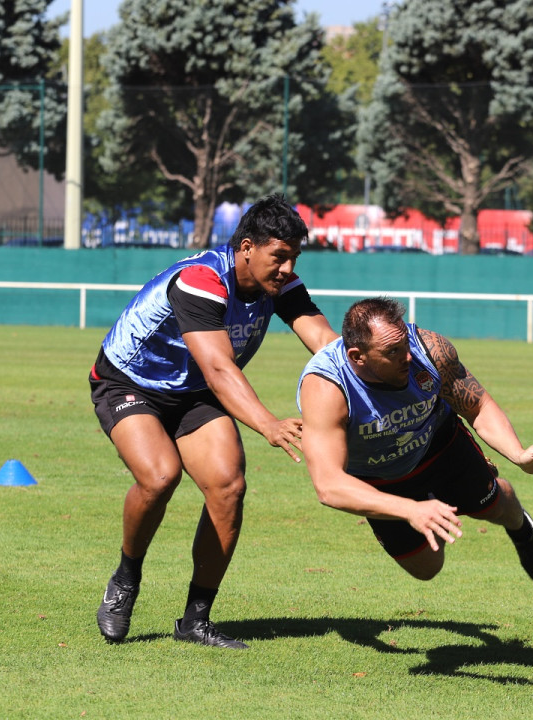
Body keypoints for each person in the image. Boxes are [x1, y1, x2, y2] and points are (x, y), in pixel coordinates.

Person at [91, 194, 337, 649]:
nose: (286, 269)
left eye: (293, 258)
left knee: (228, 486)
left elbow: (324, 340)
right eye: (278, 256)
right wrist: (267, 423)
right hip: (130, 381)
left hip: (193, 391)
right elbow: (221, 369)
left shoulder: (278, 286)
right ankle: (126, 576)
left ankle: (195, 620)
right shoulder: (202, 280)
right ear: (246, 247)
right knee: (160, 476)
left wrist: (365, 377)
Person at [296, 297, 533, 585]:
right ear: (357, 356)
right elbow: (328, 485)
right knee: (427, 568)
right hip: (378, 477)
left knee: (494, 508)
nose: (408, 357)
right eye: (393, 351)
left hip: (439, 447)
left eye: (405, 344)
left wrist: (518, 454)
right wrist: (410, 509)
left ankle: (522, 528)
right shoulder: (326, 388)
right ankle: (429, 501)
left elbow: (477, 406)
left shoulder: (430, 350)